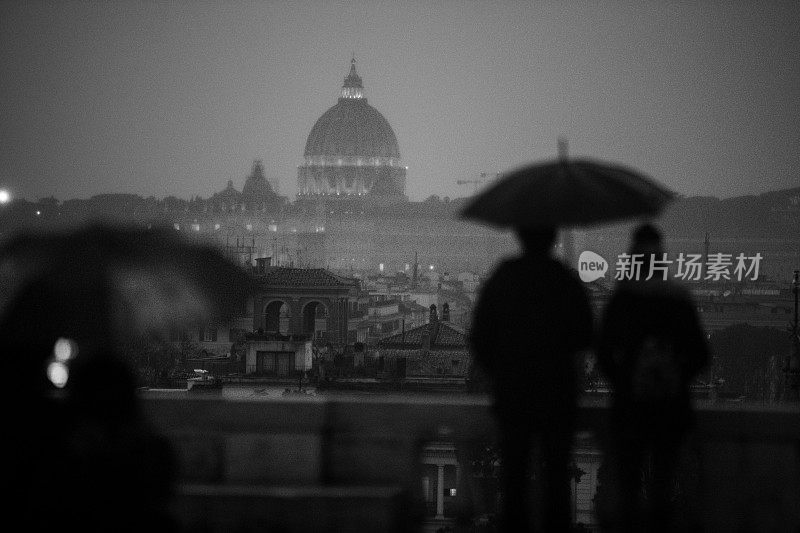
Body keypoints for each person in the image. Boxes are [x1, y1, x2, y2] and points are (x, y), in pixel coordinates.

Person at [470, 226, 593, 532]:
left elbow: (480, 338)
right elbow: (586, 335)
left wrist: (500, 373)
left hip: (514, 396)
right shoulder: (565, 279)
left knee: (513, 479)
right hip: (557, 396)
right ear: (553, 239)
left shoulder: (504, 277)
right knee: (556, 481)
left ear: (519, 237)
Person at [596, 223, 709, 533]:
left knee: (629, 489)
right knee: (662, 487)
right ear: (661, 259)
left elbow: (603, 353)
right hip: (671, 411)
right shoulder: (678, 299)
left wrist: (625, 383)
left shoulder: (623, 301)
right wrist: (674, 378)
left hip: (629, 411)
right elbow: (701, 354)